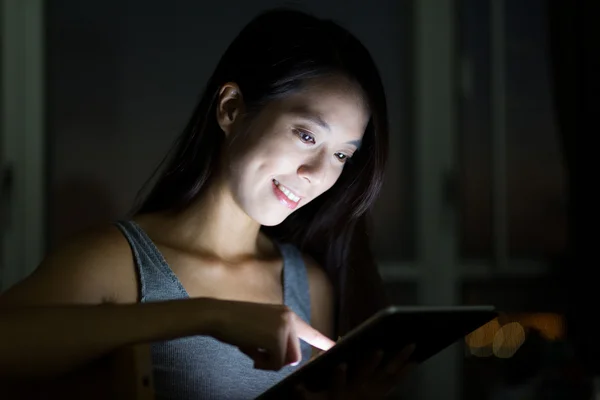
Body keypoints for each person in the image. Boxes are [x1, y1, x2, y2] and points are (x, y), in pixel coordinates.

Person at [0, 8, 411, 399]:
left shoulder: (309, 285)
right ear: (231, 109)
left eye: (341, 155)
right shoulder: (115, 262)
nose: (318, 174)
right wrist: (209, 315)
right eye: (306, 136)